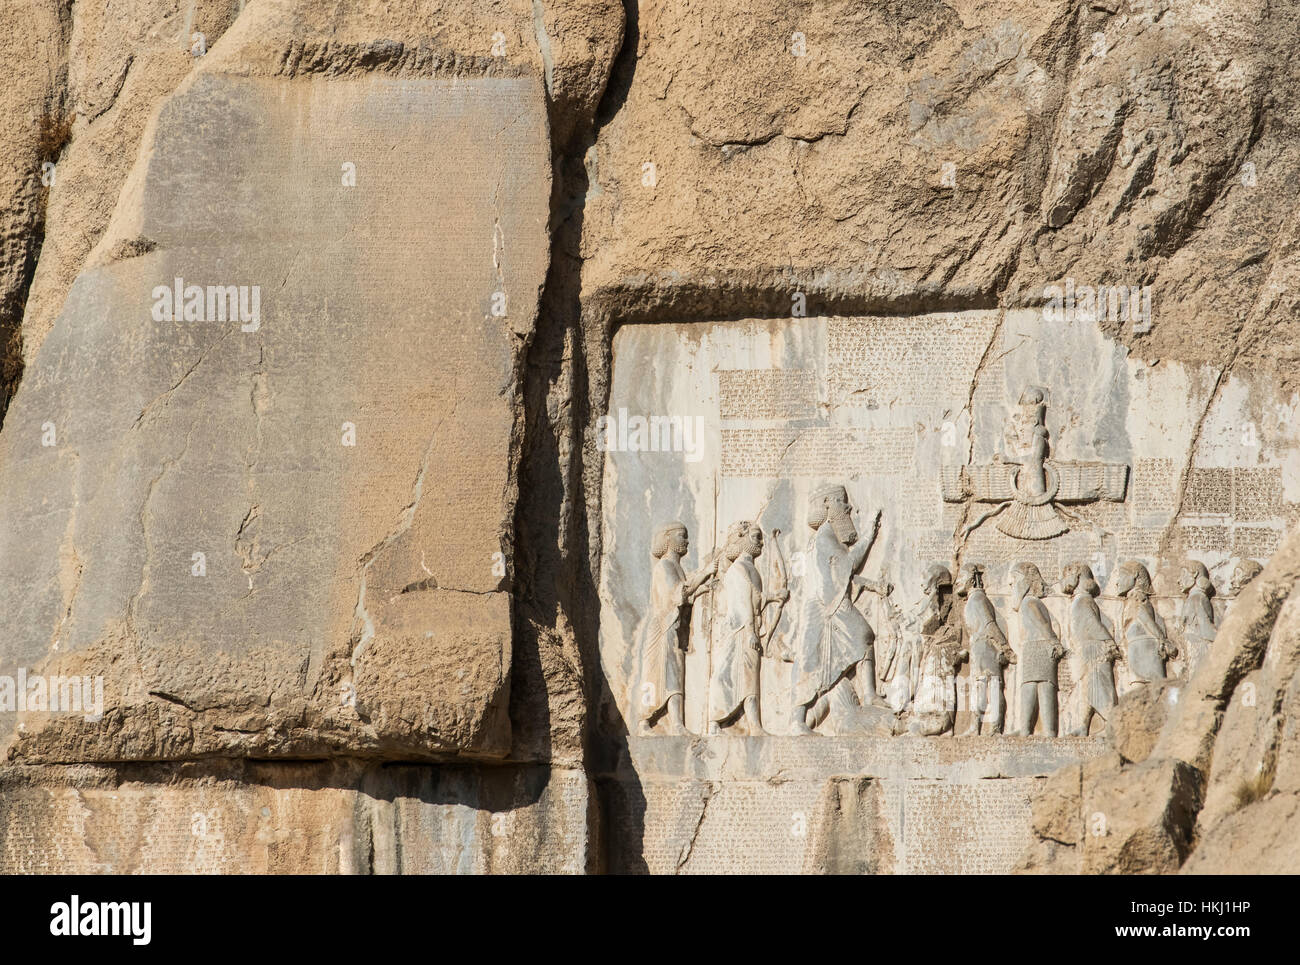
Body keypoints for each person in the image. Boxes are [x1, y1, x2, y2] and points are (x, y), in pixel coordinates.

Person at [786, 484, 884, 735]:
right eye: (842, 501)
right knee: (857, 638)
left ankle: (803, 722)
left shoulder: (824, 538)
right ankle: (798, 722)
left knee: (813, 662)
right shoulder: (825, 537)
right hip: (826, 607)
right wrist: (869, 536)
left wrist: (871, 585)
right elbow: (848, 566)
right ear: (828, 504)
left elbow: (842, 576)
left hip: (826, 605)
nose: (848, 507)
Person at [635, 521, 715, 735]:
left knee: (674, 672)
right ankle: (646, 722)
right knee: (658, 674)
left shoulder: (676, 567)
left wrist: (700, 591)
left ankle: (677, 723)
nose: (687, 540)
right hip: (663, 627)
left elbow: (684, 597)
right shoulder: (665, 566)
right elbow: (678, 593)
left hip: (673, 627)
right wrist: (705, 573)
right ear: (668, 538)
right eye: (682, 535)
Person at [708, 521, 786, 735]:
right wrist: (751, 631)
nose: (761, 542)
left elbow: (755, 598)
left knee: (747, 674)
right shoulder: (738, 569)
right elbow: (743, 603)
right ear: (742, 539)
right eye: (756, 537)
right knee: (740, 675)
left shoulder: (749, 568)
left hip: (748, 627)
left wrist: (773, 597)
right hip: (741, 630)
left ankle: (750, 723)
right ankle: (739, 723)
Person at [1060, 562, 1119, 736]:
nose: (1063, 579)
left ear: (1077, 577)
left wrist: (1109, 641)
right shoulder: (1081, 600)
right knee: (1088, 688)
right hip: (1087, 648)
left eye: (1067, 574)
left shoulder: (1083, 600)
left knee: (1101, 689)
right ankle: (1084, 725)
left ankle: (1114, 726)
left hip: (1095, 648)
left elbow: (1094, 625)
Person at [956, 563, 1014, 735]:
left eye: (962, 577)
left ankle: (994, 728)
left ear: (971, 579)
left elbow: (990, 626)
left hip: (986, 646)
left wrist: (1006, 648)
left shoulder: (978, 599)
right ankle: (976, 727)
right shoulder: (974, 600)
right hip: (979, 648)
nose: (958, 581)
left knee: (992, 686)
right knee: (981, 687)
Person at [1010, 562, 1064, 737]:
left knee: (1041, 685)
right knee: (1033, 685)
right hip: (1033, 646)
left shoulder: (1030, 602)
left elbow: (1043, 625)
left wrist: (1054, 642)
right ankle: (1032, 729)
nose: (1012, 584)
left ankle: (1045, 730)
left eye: (1015, 579)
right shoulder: (1030, 602)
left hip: (1039, 645)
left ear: (1025, 582)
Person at [1114, 560, 1175, 684]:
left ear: (1134, 575)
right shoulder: (1133, 597)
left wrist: (1162, 638)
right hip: (1139, 649)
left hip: (1144, 651)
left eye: (1121, 576)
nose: (1117, 582)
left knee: (1146, 688)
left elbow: (1146, 619)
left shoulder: (1137, 597)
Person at [1178, 560, 1216, 678]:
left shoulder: (1198, 598)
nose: (1178, 580)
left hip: (1198, 649)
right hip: (1191, 648)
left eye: (1183, 574)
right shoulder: (1194, 597)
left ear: (1194, 574)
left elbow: (1206, 628)